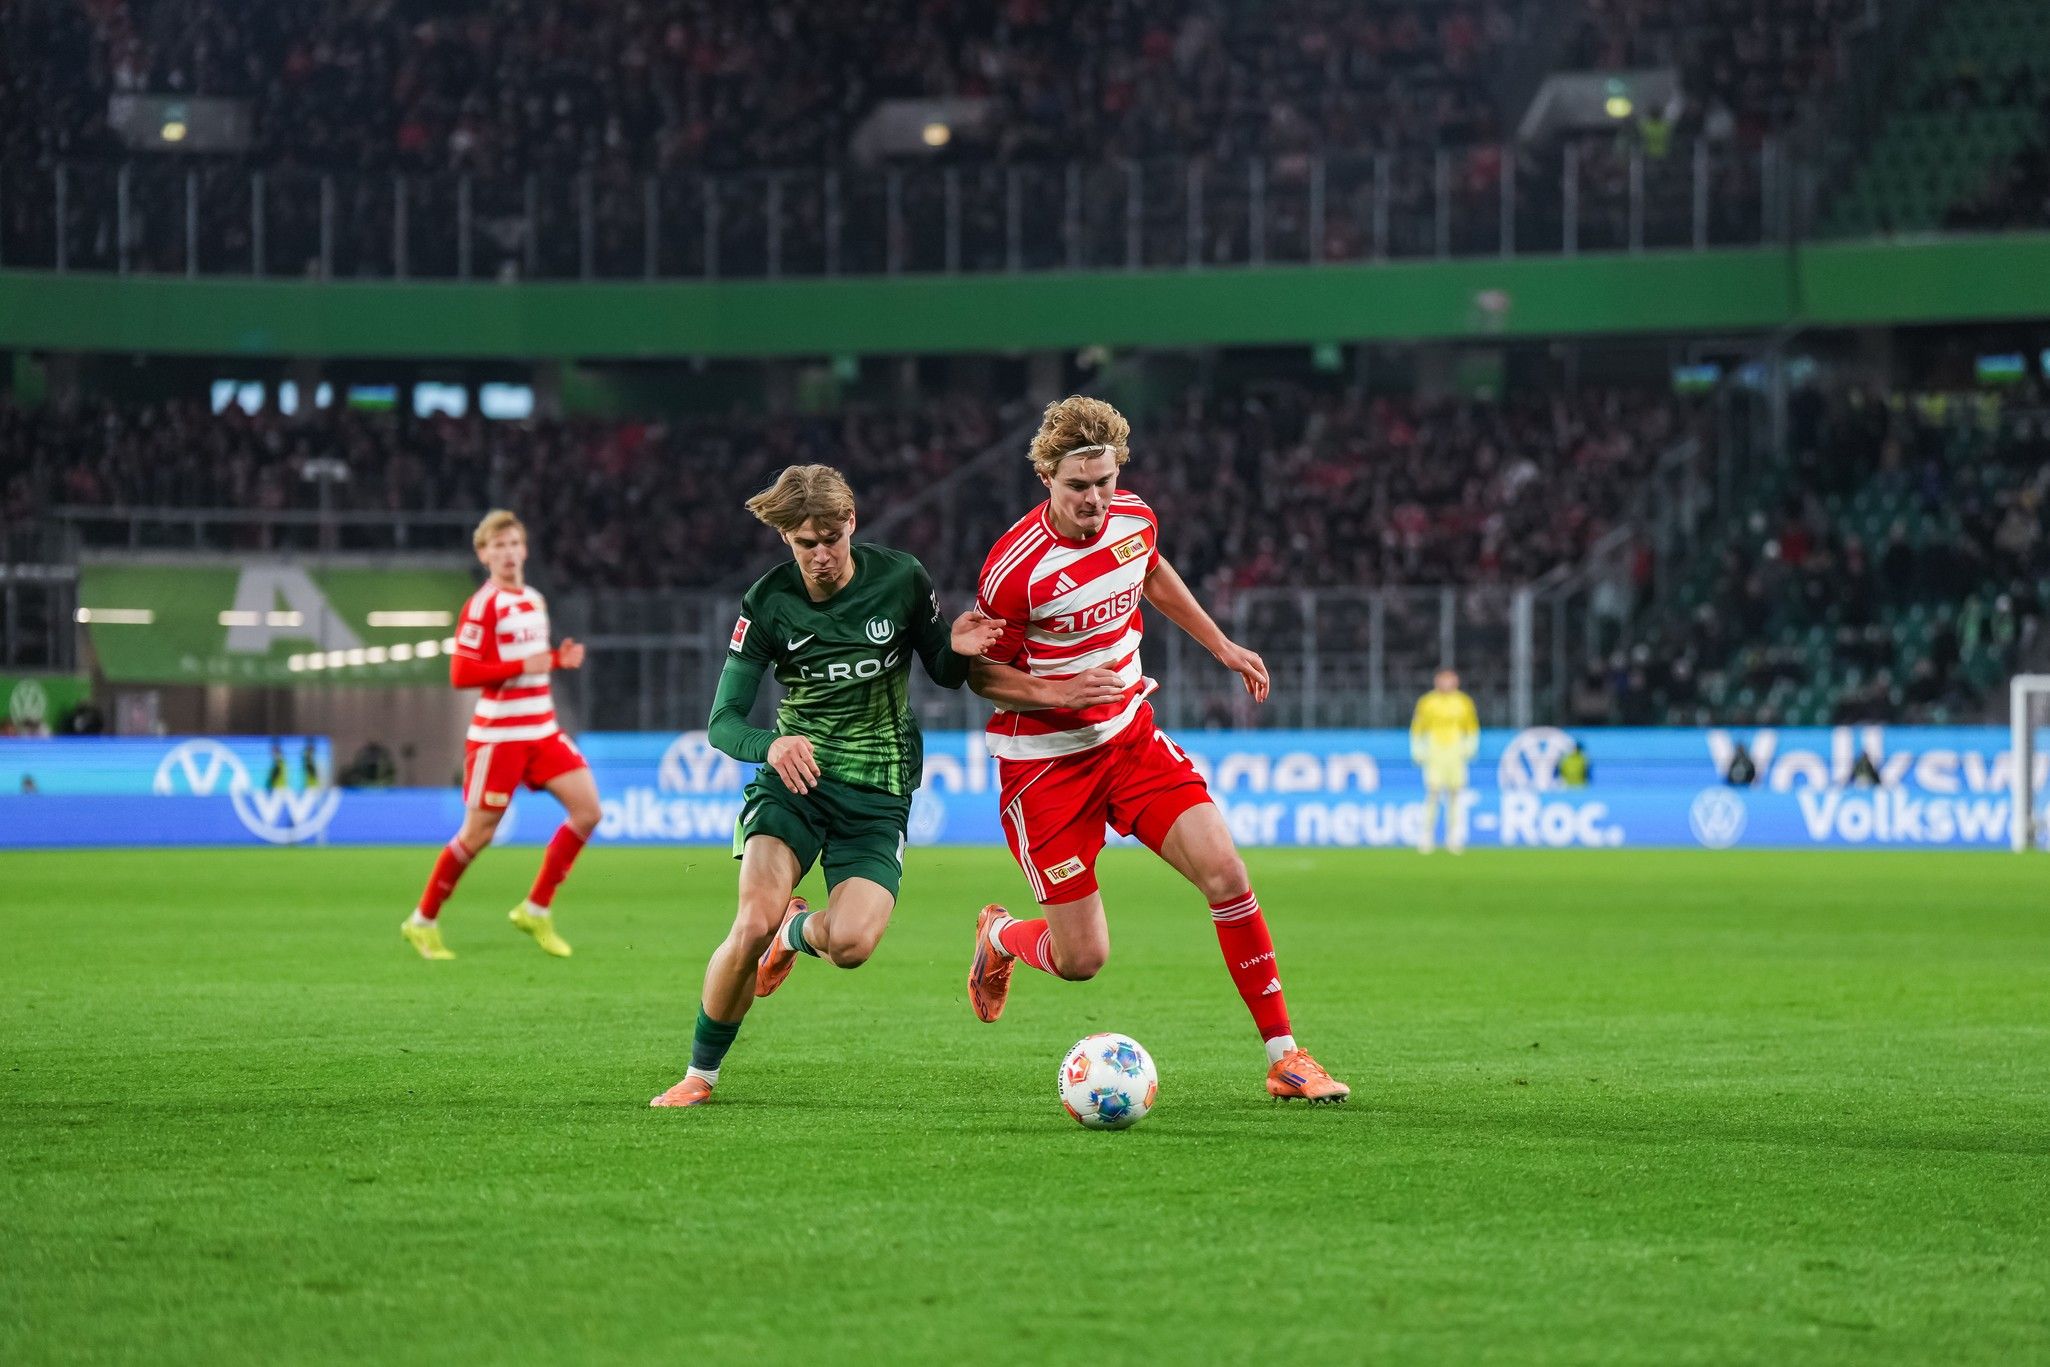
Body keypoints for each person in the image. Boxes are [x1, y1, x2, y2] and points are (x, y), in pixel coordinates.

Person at [961, 396, 1349, 1105]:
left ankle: (1286, 1058)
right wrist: (1063, 693)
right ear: (1046, 478)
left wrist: (1221, 644)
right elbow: (983, 674)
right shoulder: (1015, 571)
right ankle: (1002, 935)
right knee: (1082, 959)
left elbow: (1151, 569)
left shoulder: (1134, 519)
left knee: (1227, 873)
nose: (1094, 499)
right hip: (1045, 768)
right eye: (1078, 486)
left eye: (1105, 481)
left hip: (1131, 742)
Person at [650, 465, 1003, 1108]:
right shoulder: (768, 602)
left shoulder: (901, 579)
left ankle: (795, 933)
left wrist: (959, 648)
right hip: (796, 783)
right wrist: (771, 745)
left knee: (851, 946)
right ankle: (701, 1075)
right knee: (751, 922)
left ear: (852, 524)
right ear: (786, 538)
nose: (820, 556)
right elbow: (723, 722)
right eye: (804, 543)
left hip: (878, 788)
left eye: (831, 539)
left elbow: (944, 672)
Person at [400, 509, 601, 962]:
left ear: (524, 550)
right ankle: (422, 920)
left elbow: (531, 664)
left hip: (542, 731)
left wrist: (556, 660)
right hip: (500, 737)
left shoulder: (534, 599)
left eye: (514, 544)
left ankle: (536, 909)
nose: (508, 553)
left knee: (588, 811)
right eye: (498, 546)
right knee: (477, 835)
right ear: (483, 554)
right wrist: (522, 665)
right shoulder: (482, 605)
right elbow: (461, 673)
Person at [1410, 669, 1479, 853]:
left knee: (1455, 793)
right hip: (1434, 751)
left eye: (1450, 680)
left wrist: (1470, 746)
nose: (1447, 683)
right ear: (1436, 681)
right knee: (1433, 792)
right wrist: (1417, 748)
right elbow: (1417, 727)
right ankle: (1426, 835)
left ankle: (1454, 836)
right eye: (1443, 680)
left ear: (1456, 681)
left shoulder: (1463, 702)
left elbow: (1471, 727)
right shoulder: (1427, 702)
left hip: (1455, 751)